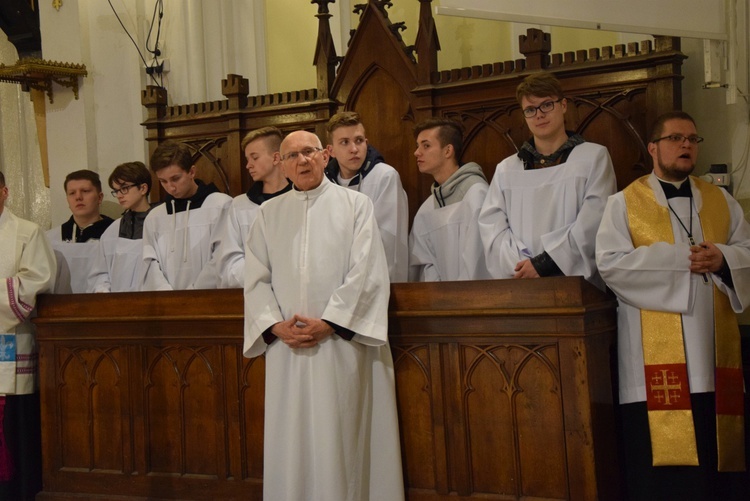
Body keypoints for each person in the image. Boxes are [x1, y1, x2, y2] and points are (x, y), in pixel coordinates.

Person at [596, 111, 750, 500]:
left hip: (715, 357)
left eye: (693, 140)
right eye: (676, 138)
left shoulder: (721, 200)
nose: (686, 145)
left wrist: (723, 259)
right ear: (653, 148)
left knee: (719, 469)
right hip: (654, 365)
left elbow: (746, 252)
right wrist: (682, 261)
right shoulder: (623, 203)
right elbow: (611, 264)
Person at [243, 130, 404, 500]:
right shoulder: (268, 214)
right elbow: (255, 278)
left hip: (341, 347)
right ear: (281, 165)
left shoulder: (356, 205)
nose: (302, 161)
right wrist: (273, 325)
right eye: (293, 156)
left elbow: (367, 271)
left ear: (326, 155)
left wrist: (330, 323)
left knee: (342, 432)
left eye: (310, 152)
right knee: (293, 439)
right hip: (288, 350)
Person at [479, 72, 616, 289]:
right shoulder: (507, 169)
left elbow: (594, 221)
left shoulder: (593, 157)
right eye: (530, 110)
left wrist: (545, 264)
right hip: (521, 286)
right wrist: (523, 267)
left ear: (563, 105)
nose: (539, 115)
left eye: (546, 105)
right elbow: (492, 229)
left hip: (574, 287)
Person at [0, 171, 56, 500]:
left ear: (4, 192)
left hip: (9, 345)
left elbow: (35, 282)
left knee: (13, 434)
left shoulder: (26, 232)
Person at [325, 111, 409, 282]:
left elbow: (389, 241)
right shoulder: (326, 182)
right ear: (331, 151)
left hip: (375, 279)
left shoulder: (384, 176)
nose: (354, 149)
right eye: (344, 142)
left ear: (366, 143)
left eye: (359, 141)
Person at [142, 140, 232, 290]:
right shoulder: (155, 217)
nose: (170, 187)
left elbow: (221, 256)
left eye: (175, 179)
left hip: (209, 299)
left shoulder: (220, 205)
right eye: (163, 181)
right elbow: (149, 262)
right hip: (167, 304)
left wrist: (193, 293)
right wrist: (166, 294)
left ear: (192, 172)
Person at [408, 118, 490, 281]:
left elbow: (479, 259)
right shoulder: (427, 208)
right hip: (440, 303)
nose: (417, 152)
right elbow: (424, 264)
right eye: (418, 146)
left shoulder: (476, 193)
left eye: (426, 145)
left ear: (448, 151)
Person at [216, 127, 291, 288]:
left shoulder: (300, 199)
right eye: (247, 159)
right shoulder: (239, 206)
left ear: (276, 157)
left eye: (254, 158)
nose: (248, 165)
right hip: (253, 295)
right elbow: (229, 264)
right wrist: (265, 277)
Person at [88, 162, 157, 292]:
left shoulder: (159, 224)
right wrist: (103, 292)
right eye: (116, 190)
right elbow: (100, 273)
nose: (119, 195)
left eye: (124, 188)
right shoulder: (114, 229)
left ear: (143, 188)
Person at [47, 170, 114, 293]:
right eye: (72, 193)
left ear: (99, 197)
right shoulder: (51, 238)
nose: (78, 197)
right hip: (61, 307)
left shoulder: (115, 233)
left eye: (85, 191)